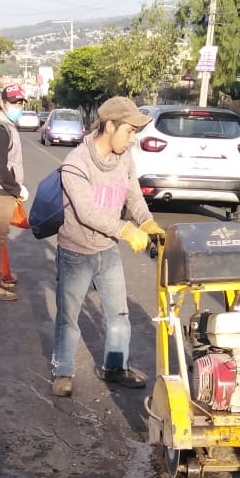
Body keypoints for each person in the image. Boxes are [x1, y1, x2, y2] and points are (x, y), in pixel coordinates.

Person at [50, 96, 165, 398]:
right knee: (68, 318)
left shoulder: (124, 158)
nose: (132, 139)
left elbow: (133, 196)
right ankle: (63, 371)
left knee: (119, 314)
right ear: (110, 126)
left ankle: (115, 367)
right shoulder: (76, 163)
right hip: (76, 252)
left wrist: (147, 222)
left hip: (108, 250)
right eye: (129, 131)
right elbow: (87, 212)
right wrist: (126, 229)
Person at [0, 83, 30, 302]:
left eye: (20, 103)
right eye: (13, 103)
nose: (17, 107)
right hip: (1, 192)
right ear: (2, 103)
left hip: (2, 190)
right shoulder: (0, 129)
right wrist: (17, 189)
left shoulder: (4, 126)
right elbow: (0, 168)